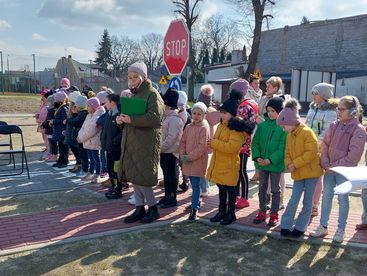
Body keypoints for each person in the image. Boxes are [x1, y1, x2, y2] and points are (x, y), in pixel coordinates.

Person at [311, 96, 366, 242]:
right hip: (330, 170)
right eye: (338, 108)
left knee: (343, 199)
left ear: (353, 111)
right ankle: (323, 226)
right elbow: (325, 145)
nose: (338, 111)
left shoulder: (358, 129)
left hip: (344, 172)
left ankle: (340, 229)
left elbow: (353, 156)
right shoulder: (334, 125)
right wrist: (325, 161)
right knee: (327, 197)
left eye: (342, 109)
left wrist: (333, 167)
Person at [117, 62, 164, 224]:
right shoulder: (134, 94)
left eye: (135, 77)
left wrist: (131, 119)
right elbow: (130, 116)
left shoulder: (152, 94)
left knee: (144, 178)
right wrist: (121, 119)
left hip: (146, 142)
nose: (132, 80)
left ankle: (153, 208)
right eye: (130, 77)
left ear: (144, 77)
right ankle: (139, 208)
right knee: (135, 177)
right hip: (133, 141)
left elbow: (156, 118)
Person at [278, 98, 324, 238]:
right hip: (298, 172)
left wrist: (295, 163)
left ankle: (300, 227)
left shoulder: (307, 132)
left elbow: (311, 153)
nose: (283, 128)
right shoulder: (290, 135)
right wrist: (288, 164)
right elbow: (287, 153)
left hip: (311, 173)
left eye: (284, 125)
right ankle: (285, 225)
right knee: (294, 199)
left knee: (307, 201)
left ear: (291, 122)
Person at [207, 98, 248, 225]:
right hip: (220, 163)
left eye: (225, 113)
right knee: (221, 188)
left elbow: (232, 147)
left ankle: (231, 213)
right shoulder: (221, 125)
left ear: (232, 113)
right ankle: (221, 211)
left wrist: (214, 143)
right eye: (221, 112)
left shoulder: (236, 128)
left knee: (231, 190)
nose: (222, 115)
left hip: (229, 164)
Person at [252, 96, 287, 227]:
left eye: (274, 111)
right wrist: (257, 157)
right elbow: (255, 143)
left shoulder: (283, 127)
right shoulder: (262, 125)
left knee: (275, 190)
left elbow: (282, 147)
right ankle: (262, 211)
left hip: (275, 165)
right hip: (262, 163)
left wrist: (270, 159)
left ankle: (274, 214)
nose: (271, 113)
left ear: (280, 112)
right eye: (269, 110)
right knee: (262, 188)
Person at [305, 82, 338, 217]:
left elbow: (327, 132)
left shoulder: (331, 112)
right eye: (312, 93)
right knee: (308, 175)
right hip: (308, 147)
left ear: (324, 95)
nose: (313, 95)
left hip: (319, 148)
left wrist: (318, 146)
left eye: (316, 93)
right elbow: (307, 125)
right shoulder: (312, 108)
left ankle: (314, 205)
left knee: (317, 176)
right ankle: (308, 202)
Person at [227, 79, 257, 209]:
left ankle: (244, 197)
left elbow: (241, 126)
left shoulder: (244, 106)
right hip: (243, 143)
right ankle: (238, 196)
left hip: (242, 144)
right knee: (238, 171)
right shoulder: (249, 104)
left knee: (241, 171)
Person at [179, 101, 210, 221]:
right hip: (187, 159)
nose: (196, 116)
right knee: (193, 183)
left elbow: (202, 147)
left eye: (199, 114)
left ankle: (194, 209)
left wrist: (189, 156)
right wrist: (182, 154)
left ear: (203, 115)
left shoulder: (204, 127)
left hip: (198, 161)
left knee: (196, 185)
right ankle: (195, 202)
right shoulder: (188, 126)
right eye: (194, 113)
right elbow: (183, 141)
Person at [158, 87, 185, 208]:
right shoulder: (167, 117)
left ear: (168, 105)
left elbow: (171, 138)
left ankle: (172, 197)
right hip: (164, 151)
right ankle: (167, 195)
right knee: (166, 175)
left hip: (171, 152)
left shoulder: (174, 119)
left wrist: (160, 148)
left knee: (171, 176)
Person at [77, 97, 105, 183]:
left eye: (88, 106)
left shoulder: (98, 115)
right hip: (87, 141)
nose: (87, 108)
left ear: (93, 106)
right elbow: (83, 127)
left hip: (94, 141)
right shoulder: (89, 115)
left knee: (96, 158)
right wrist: (79, 135)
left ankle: (97, 174)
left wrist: (81, 138)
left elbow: (92, 130)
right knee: (91, 158)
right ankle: (91, 172)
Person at [101, 94, 123, 199]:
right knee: (110, 168)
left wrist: (115, 142)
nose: (105, 104)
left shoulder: (119, 115)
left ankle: (118, 189)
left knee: (115, 169)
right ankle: (113, 186)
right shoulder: (109, 114)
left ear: (112, 103)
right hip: (108, 147)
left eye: (106, 102)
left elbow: (122, 132)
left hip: (115, 149)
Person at [70, 95, 89, 178]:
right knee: (82, 154)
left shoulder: (83, 114)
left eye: (76, 106)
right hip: (79, 136)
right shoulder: (81, 113)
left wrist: (74, 115)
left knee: (83, 154)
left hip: (82, 137)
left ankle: (85, 170)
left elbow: (74, 122)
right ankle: (84, 169)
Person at [64, 90, 82, 173]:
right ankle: (78, 163)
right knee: (72, 145)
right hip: (70, 128)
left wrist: (68, 120)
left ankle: (79, 163)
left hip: (74, 128)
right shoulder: (71, 105)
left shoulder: (78, 106)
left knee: (75, 147)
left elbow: (77, 118)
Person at [50, 90, 69, 168]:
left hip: (62, 131)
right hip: (59, 131)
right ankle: (60, 160)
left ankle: (64, 161)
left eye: (56, 99)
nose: (55, 101)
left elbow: (65, 120)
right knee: (60, 147)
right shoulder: (60, 108)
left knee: (64, 148)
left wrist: (54, 121)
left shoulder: (64, 108)